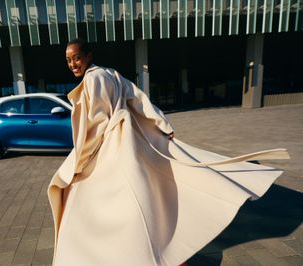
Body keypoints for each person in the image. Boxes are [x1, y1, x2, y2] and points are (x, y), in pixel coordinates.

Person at [47, 38, 289, 266]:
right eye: (69, 60)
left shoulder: (92, 80)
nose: (72, 64)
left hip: (110, 146)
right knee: (143, 197)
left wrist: (78, 162)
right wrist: (161, 123)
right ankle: (162, 252)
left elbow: (95, 124)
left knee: (92, 206)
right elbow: (139, 99)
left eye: (76, 58)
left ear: (88, 55)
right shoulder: (110, 73)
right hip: (130, 141)